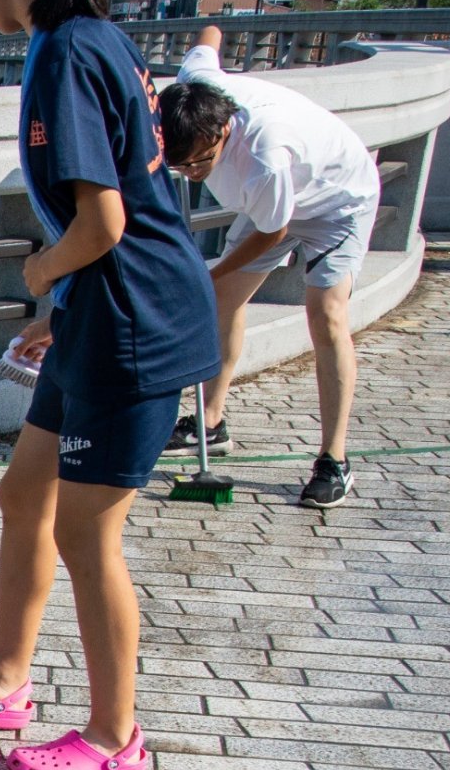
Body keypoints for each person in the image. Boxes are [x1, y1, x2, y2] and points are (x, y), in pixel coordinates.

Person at [0, 0, 219, 770]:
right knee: (23, 495)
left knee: (87, 531)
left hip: (135, 324)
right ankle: (8, 681)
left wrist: (43, 271)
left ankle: (117, 736)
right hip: (99, 311)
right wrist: (61, 305)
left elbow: (104, 222)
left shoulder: (65, 53)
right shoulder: (89, 35)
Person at [159, 26, 382, 509]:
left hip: (338, 201)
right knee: (222, 302)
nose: (194, 174)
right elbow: (211, 34)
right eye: (183, 168)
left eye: (201, 164)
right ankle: (211, 421)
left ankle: (334, 460)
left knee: (326, 313)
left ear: (223, 131)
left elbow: (271, 234)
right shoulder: (195, 83)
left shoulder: (265, 154)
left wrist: (208, 273)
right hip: (274, 206)